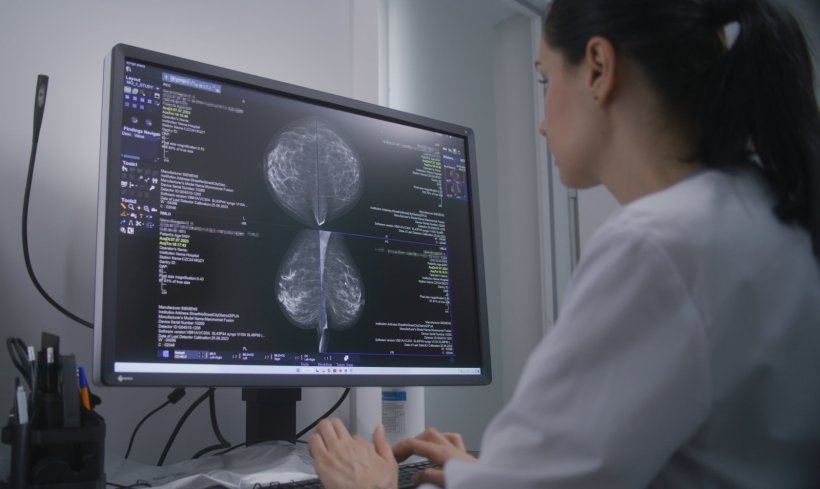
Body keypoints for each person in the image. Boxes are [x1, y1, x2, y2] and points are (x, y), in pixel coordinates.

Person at [307, 0, 820, 487]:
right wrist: (488, 475)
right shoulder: (768, 209)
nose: (542, 122)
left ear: (598, 67)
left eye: (545, 79)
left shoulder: (659, 246)